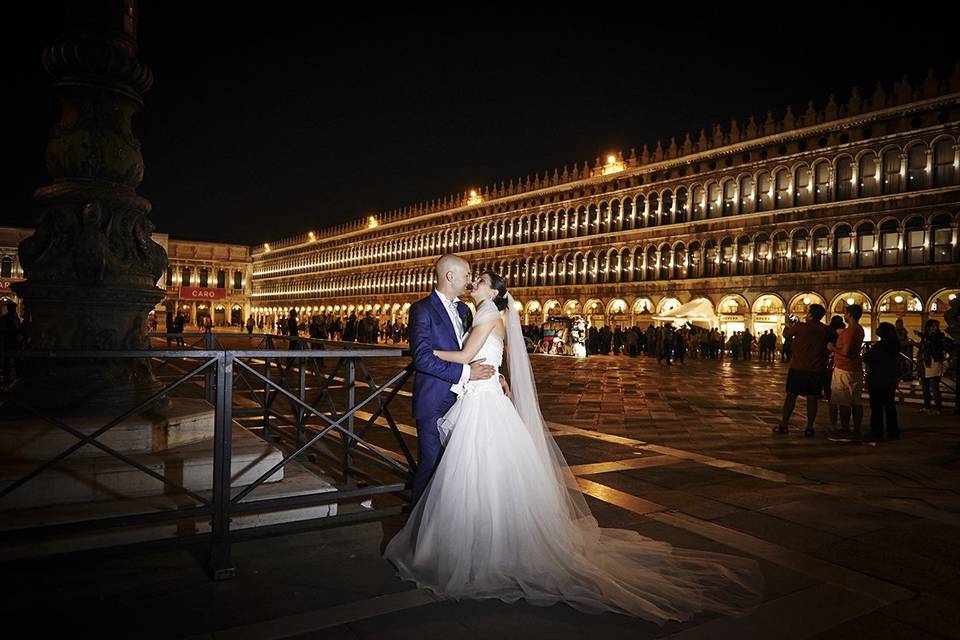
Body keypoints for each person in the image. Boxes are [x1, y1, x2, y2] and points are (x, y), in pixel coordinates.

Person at [384, 270, 763, 622]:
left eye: (479, 280)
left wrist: (427, 356)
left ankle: (469, 548)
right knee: (491, 477)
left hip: (481, 404)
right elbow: (487, 357)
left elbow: (467, 357)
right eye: (471, 277)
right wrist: (495, 375)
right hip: (485, 399)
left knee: (473, 475)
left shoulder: (483, 315)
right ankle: (495, 543)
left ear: (494, 292)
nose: (473, 283)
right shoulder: (487, 314)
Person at [405, 255, 498, 505]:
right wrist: (467, 373)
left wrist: (499, 376)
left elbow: (478, 348)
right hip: (435, 399)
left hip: (465, 401)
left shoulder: (464, 310)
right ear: (450, 276)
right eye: (467, 275)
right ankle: (416, 528)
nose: (470, 281)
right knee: (432, 462)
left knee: (459, 468)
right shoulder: (421, 309)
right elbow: (422, 358)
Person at [775, 304, 832, 437]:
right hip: (816, 370)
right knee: (812, 399)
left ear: (810, 314)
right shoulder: (825, 330)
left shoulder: (800, 327)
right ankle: (809, 427)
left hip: (798, 368)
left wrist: (789, 324)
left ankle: (784, 425)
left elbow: (786, 335)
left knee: (791, 397)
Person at [827, 305, 865, 440]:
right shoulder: (859, 329)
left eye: (845, 313)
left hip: (844, 369)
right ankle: (857, 429)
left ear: (849, 314)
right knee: (856, 401)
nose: (844, 315)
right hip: (856, 369)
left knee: (843, 402)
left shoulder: (849, 331)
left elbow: (845, 352)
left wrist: (832, 348)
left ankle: (845, 430)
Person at [864, 322, 901, 443]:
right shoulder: (894, 346)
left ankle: (877, 431)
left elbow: (867, 357)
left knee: (877, 407)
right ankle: (893, 430)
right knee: (890, 406)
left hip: (877, 379)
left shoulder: (879, 347)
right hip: (890, 379)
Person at [917, 319, 948, 415]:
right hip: (925, 362)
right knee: (925, 386)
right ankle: (927, 407)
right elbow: (922, 348)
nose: (935, 328)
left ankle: (938, 409)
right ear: (928, 327)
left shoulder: (939, 336)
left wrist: (923, 335)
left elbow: (936, 343)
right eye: (933, 326)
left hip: (934, 362)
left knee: (934, 387)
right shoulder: (925, 338)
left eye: (936, 326)